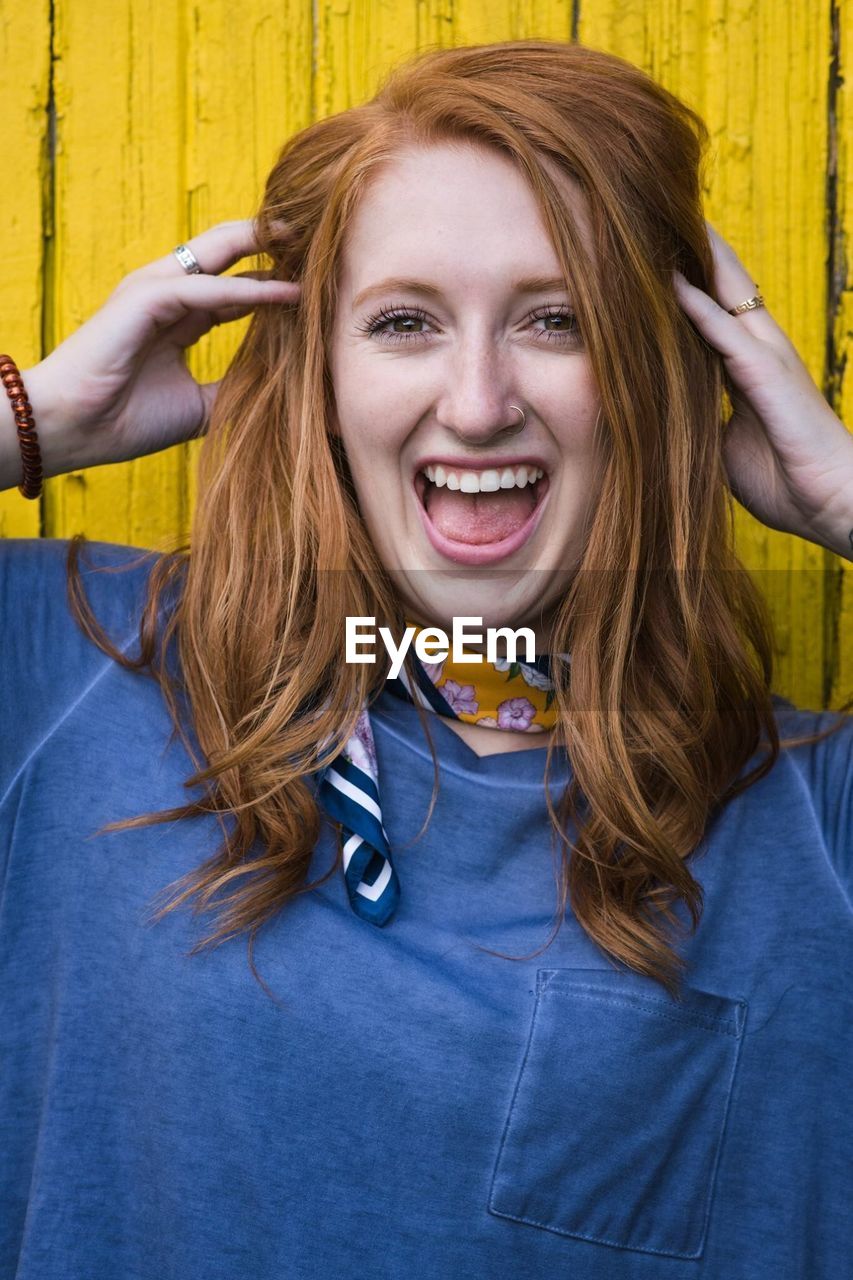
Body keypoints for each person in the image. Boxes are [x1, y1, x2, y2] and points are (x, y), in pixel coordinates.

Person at [1, 37, 852, 1280]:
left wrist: (840, 496)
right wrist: (31, 419)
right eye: (403, 323)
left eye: (555, 321)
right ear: (321, 380)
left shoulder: (812, 818)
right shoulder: (69, 671)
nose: (476, 400)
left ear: (661, 376)